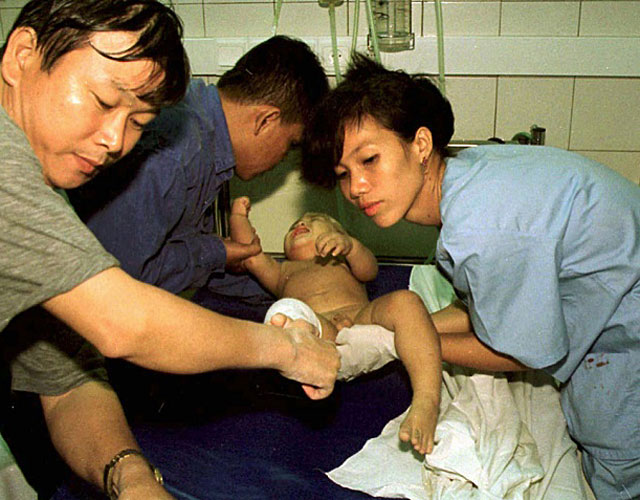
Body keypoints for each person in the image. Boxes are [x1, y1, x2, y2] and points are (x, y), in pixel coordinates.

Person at [0, 0, 339, 497]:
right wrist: (288, 350)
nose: (116, 141)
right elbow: (123, 321)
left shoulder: (48, 188)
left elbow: (65, 385)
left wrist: (132, 477)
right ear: (21, 56)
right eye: (103, 101)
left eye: (138, 121)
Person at [301, 53, 640, 499]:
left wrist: (400, 343)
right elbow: (487, 308)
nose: (356, 187)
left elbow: (520, 353)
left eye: (369, 160)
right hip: (610, 299)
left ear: (420, 145)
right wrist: (391, 323)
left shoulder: (479, 228)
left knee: (620, 470)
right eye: (344, 174)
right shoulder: (470, 177)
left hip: (626, 328)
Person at [69, 35, 330, 298]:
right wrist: (215, 253)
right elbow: (121, 281)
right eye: (290, 145)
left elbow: (182, 257)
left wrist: (307, 283)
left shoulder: (202, 130)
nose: (282, 159)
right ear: (265, 120)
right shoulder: (175, 155)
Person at [229, 197, 442, 455]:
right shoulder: (283, 271)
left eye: (315, 220)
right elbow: (250, 256)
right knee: (283, 310)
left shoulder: (342, 260)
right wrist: (238, 217)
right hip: (319, 334)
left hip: (361, 319)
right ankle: (298, 344)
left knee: (406, 301)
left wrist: (351, 247)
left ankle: (426, 398)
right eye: (294, 225)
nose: (301, 223)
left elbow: (370, 271)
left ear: (337, 234)